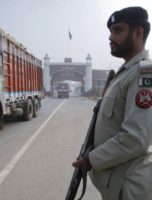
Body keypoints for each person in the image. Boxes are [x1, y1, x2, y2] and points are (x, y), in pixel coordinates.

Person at [72, 6, 152, 200]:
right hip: (115, 184)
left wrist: (91, 160)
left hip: (128, 187)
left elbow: (136, 138)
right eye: (110, 31)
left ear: (138, 33)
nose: (110, 37)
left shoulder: (143, 75)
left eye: (117, 30)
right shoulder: (122, 75)